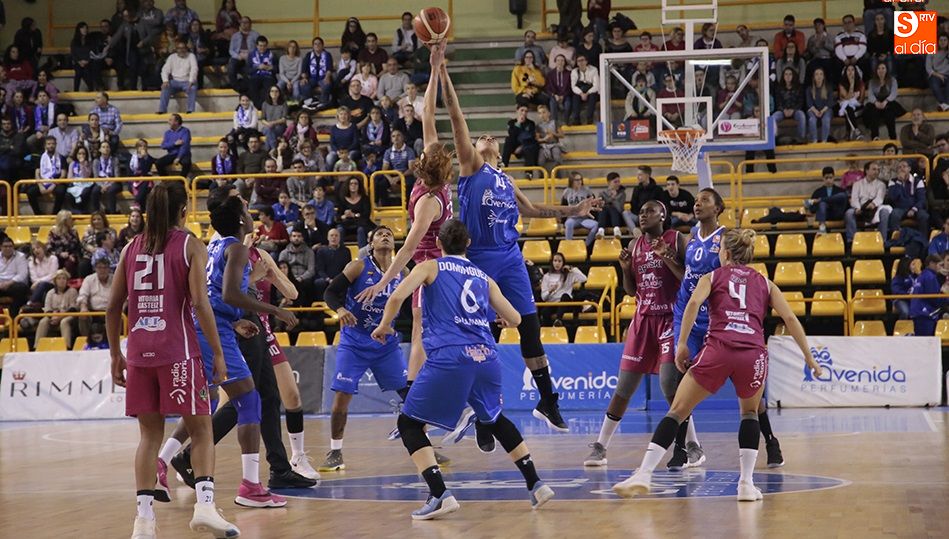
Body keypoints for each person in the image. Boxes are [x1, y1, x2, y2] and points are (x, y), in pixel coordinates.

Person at [438, 53, 601, 435]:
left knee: (531, 328)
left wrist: (572, 208)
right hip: (478, 260)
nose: (486, 138)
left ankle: (548, 401)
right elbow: (456, 117)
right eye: (480, 139)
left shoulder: (506, 181)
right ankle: (481, 412)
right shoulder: (470, 169)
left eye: (489, 138)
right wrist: (443, 70)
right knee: (484, 335)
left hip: (511, 258)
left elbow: (534, 211)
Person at [612, 228, 822, 501]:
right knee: (749, 414)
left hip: (719, 350)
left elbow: (691, 305)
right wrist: (809, 357)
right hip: (753, 354)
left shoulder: (712, 276)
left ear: (725, 253)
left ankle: (644, 473)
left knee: (677, 411)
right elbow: (791, 320)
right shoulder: (766, 283)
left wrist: (682, 344)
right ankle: (746, 484)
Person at [371, 219, 555, 519]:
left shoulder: (430, 267)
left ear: (439, 244)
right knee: (494, 419)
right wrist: (504, 320)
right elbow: (516, 319)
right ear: (468, 244)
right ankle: (536, 483)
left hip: (449, 356)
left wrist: (384, 325)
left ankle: (440, 493)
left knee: (409, 424)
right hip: (485, 356)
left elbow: (396, 296)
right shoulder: (484, 277)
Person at [106, 177, 239, 539]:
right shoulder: (190, 246)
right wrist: (217, 352)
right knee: (201, 429)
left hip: (138, 354)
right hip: (178, 352)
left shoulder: (130, 248)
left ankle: (144, 521)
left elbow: (113, 305)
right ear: (183, 210)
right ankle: (206, 507)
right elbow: (200, 303)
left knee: (149, 436)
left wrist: (116, 355)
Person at [164, 194, 296, 508]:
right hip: (211, 330)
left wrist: (235, 323)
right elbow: (231, 293)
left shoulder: (213, 246)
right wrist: (274, 311)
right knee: (248, 400)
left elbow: (212, 295)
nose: (251, 217)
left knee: (210, 401)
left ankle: (165, 460)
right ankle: (250, 486)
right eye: (247, 212)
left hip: (209, 324)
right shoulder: (237, 248)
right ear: (241, 220)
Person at [354, 57, 452, 416]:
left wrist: (383, 282)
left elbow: (410, 246)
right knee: (421, 332)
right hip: (430, 263)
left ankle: (428, 406)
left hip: (434, 267)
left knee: (425, 334)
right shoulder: (432, 178)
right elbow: (427, 114)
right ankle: (419, 407)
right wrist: (434, 64)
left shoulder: (428, 200)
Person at [584, 200, 682, 467]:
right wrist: (625, 270)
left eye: (649, 211)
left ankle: (691, 445)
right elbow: (630, 290)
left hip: (669, 319)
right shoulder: (634, 245)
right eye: (640, 212)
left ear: (663, 215)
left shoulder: (676, 239)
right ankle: (601, 446)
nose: (643, 215)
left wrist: (667, 257)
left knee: (669, 386)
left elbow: (686, 278)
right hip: (643, 320)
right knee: (624, 387)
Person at [320, 225, 416, 472]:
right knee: (342, 395)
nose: (385, 236)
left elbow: (409, 309)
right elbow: (330, 292)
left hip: (385, 343)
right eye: (379, 234)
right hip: (354, 341)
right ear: (371, 244)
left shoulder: (403, 272)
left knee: (411, 394)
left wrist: (399, 326)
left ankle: (423, 445)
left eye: (389, 235)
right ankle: (335, 450)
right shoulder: (358, 266)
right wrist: (340, 309)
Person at [539, 252, 590, 327]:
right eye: (555, 261)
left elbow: (584, 278)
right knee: (544, 312)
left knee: (565, 296)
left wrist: (572, 269)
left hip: (566, 304)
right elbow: (543, 297)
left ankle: (558, 320)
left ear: (563, 263)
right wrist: (549, 291)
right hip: (553, 303)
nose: (557, 263)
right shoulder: (547, 276)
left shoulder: (569, 274)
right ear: (552, 262)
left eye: (560, 261)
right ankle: (548, 331)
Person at [845, 161, 891, 244]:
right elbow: (854, 198)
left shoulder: (881, 185)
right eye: (874, 169)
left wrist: (873, 204)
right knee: (849, 213)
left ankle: (882, 241)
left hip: (875, 208)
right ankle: (851, 241)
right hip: (860, 207)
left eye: (878, 170)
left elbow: (880, 198)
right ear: (866, 171)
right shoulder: (857, 184)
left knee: (885, 212)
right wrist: (857, 208)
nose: (876, 172)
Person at [886, 160, 929, 238]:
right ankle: (896, 240)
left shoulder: (918, 181)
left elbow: (921, 199)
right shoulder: (893, 181)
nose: (902, 169)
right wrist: (899, 182)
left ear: (909, 169)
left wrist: (914, 209)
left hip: (915, 208)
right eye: (899, 167)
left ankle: (923, 240)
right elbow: (892, 197)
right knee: (894, 215)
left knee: (924, 216)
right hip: (900, 208)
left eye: (904, 166)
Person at [35, 269, 76, 348]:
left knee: (64, 322)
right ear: (55, 281)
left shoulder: (72, 291)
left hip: (68, 315)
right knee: (43, 321)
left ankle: (66, 346)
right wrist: (53, 317)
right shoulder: (50, 293)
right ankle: (37, 346)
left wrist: (60, 317)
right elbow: (47, 308)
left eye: (64, 278)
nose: (61, 280)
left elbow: (73, 308)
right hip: (53, 316)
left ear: (67, 280)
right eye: (59, 278)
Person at [864, 62, 904, 140]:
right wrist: (876, 102)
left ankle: (892, 136)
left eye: (883, 68)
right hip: (876, 103)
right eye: (879, 69)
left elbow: (894, 93)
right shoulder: (872, 81)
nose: (881, 70)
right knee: (873, 112)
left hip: (888, 102)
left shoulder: (892, 80)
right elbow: (870, 95)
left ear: (886, 70)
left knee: (889, 113)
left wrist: (886, 101)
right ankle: (875, 136)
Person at [28, 136, 67, 215]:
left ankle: (55, 214)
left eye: (53, 144)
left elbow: (63, 175)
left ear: (56, 145)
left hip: (56, 183)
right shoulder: (40, 157)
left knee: (61, 191)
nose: (51, 146)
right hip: (43, 182)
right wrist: (40, 186)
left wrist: (52, 186)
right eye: (48, 144)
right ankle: (38, 214)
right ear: (45, 146)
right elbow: (37, 173)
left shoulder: (61, 157)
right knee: (30, 192)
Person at [910, 254, 947, 336]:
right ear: (931, 264)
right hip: (925, 314)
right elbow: (934, 298)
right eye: (940, 265)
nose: (941, 268)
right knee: (925, 342)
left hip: (918, 312)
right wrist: (945, 296)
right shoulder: (930, 277)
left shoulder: (922, 276)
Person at [158, 39, 198, 114]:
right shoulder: (172, 57)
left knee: (192, 88)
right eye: (179, 48)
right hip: (174, 81)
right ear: (176, 49)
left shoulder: (191, 56)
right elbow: (165, 70)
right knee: (165, 87)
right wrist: (165, 80)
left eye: (183, 48)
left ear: (186, 49)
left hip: (187, 81)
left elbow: (194, 69)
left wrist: (191, 81)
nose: (181, 50)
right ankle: (162, 110)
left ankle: (190, 111)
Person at [805, 167, 848, 234]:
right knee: (822, 204)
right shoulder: (817, 192)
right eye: (826, 178)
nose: (828, 180)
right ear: (823, 178)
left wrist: (819, 201)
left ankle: (822, 227)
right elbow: (812, 209)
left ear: (834, 178)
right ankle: (822, 227)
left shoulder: (840, 191)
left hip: (837, 214)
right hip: (823, 215)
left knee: (842, 195)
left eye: (830, 178)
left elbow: (845, 206)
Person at [561, 172, 599, 246]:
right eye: (577, 180)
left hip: (584, 218)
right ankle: (569, 245)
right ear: (572, 181)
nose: (579, 182)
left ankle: (585, 245)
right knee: (568, 224)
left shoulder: (587, 190)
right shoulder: (567, 192)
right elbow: (563, 206)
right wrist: (563, 220)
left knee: (595, 225)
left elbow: (594, 203)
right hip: (572, 218)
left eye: (580, 179)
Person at [314, 227, 352, 300]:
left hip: (340, 278)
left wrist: (338, 280)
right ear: (328, 238)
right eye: (331, 235)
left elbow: (347, 268)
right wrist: (328, 279)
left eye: (336, 235)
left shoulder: (346, 251)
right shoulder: (321, 251)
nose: (334, 237)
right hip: (326, 278)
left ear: (340, 238)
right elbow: (320, 269)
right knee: (319, 282)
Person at [771, 67, 805, 144]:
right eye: (786, 74)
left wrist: (793, 110)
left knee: (802, 116)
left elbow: (800, 102)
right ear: (783, 76)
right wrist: (784, 110)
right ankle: (774, 139)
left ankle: (800, 139)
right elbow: (778, 102)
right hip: (782, 111)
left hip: (795, 110)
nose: (788, 76)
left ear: (793, 76)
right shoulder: (779, 88)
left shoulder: (799, 87)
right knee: (773, 117)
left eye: (790, 74)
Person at [501, 105, 539, 170]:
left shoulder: (531, 123)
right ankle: (504, 165)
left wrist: (521, 147)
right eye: (522, 110)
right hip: (514, 146)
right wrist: (518, 123)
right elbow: (512, 135)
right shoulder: (511, 122)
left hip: (525, 146)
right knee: (508, 140)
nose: (524, 113)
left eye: (526, 111)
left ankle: (529, 172)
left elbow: (531, 138)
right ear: (517, 111)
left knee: (530, 146)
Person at [227, 16, 259, 91]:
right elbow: (231, 50)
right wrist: (238, 56)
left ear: (250, 24)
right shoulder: (235, 36)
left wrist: (250, 55)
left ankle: (246, 88)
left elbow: (259, 49)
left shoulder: (256, 35)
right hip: (238, 56)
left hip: (250, 56)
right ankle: (236, 87)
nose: (244, 24)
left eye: (246, 22)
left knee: (247, 70)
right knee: (231, 66)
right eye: (242, 22)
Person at [301, 37, 334, 108]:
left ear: (322, 45)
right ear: (313, 46)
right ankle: (309, 104)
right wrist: (304, 78)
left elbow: (329, 68)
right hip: (312, 78)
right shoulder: (309, 55)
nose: (317, 45)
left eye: (319, 44)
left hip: (323, 78)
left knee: (327, 85)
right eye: (315, 44)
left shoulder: (327, 55)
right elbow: (304, 69)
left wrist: (327, 77)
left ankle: (322, 104)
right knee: (304, 85)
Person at [0, 236, 29, 317]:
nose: (8, 248)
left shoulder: (20, 257)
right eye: (5, 246)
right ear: (1, 247)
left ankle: (13, 317)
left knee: (20, 288)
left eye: (10, 246)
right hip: (1, 284)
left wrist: (8, 283)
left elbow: (22, 274)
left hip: (13, 284)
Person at [805, 68, 835, 144]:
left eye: (821, 74)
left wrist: (822, 111)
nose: (819, 76)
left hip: (825, 109)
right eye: (817, 74)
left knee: (826, 119)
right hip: (813, 109)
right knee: (812, 120)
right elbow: (809, 103)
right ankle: (814, 140)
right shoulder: (809, 89)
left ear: (824, 76)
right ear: (814, 77)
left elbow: (830, 102)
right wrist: (815, 111)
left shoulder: (828, 88)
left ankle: (824, 141)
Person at [837, 64, 866, 141]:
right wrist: (851, 85)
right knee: (848, 109)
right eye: (848, 70)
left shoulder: (861, 83)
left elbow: (861, 100)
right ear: (845, 72)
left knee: (847, 109)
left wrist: (852, 101)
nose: (850, 72)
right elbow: (846, 97)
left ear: (855, 72)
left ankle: (848, 133)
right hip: (847, 108)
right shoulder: (841, 84)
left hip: (858, 108)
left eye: (852, 70)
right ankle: (857, 131)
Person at [570, 55, 598, 126]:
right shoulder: (574, 71)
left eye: (582, 60)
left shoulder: (593, 69)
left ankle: (589, 118)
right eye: (578, 61)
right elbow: (573, 86)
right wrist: (581, 93)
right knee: (575, 97)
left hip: (591, 90)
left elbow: (596, 85)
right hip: (580, 90)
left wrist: (587, 93)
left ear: (586, 61)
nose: (581, 62)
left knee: (593, 96)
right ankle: (576, 119)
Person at [927, 34, 949, 111]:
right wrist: (938, 75)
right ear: (937, 41)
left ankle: (944, 105)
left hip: (947, 75)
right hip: (935, 74)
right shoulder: (931, 51)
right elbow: (928, 68)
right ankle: (944, 104)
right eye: (941, 40)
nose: (943, 42)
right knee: (934, 84)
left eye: (945, 40)